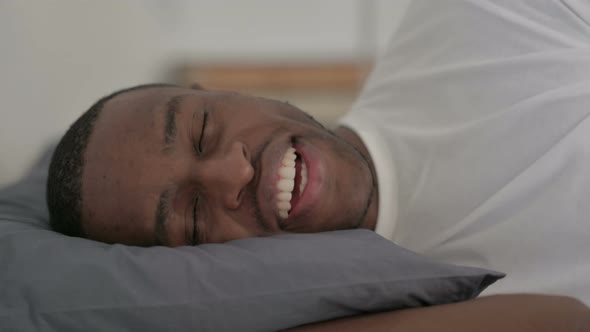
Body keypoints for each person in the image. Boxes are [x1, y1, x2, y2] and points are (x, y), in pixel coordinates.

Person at [46, 0, 590, 329]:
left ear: (223, 90)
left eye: (204, 128)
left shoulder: (483, 16)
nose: (232, 173)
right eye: (190, 220)